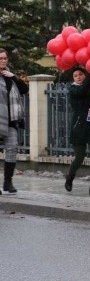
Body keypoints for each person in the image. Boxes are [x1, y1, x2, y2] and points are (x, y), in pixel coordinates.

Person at [64, 66, 90, 195]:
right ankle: (70, 177)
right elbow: (80, 92)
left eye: (81, 74)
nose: (79, 77)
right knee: (79, 157)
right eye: (76, 75)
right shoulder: (73, 89)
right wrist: (89, 73)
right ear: (73, 78)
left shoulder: (89, 86)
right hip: (79, 125)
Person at [0, 48, 28, 194]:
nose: (3, 61)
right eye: (1, 59)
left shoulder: (9, 76)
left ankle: (7, 182)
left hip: (11, 119)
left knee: (12, 148)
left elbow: (24, 90)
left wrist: (14, 77)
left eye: (5, 58)